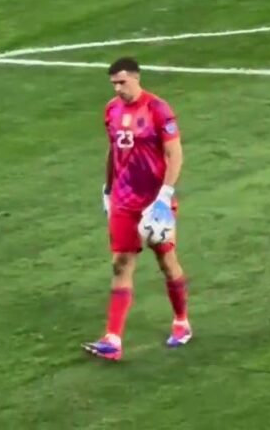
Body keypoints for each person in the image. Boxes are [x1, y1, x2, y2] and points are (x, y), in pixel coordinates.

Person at [82, 57, 192, 361]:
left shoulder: (158, 109)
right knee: (120, 264)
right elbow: (113, 149)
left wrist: (164, 196)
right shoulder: (111, 110)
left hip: (154, 202)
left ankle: (181, 321)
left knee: (167, 262)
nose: (118, 89)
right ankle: (113, 340)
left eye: (122, 82)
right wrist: (107, 189)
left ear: (136, 78)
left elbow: (175, 153)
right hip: (123, 200)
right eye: (114, 84)